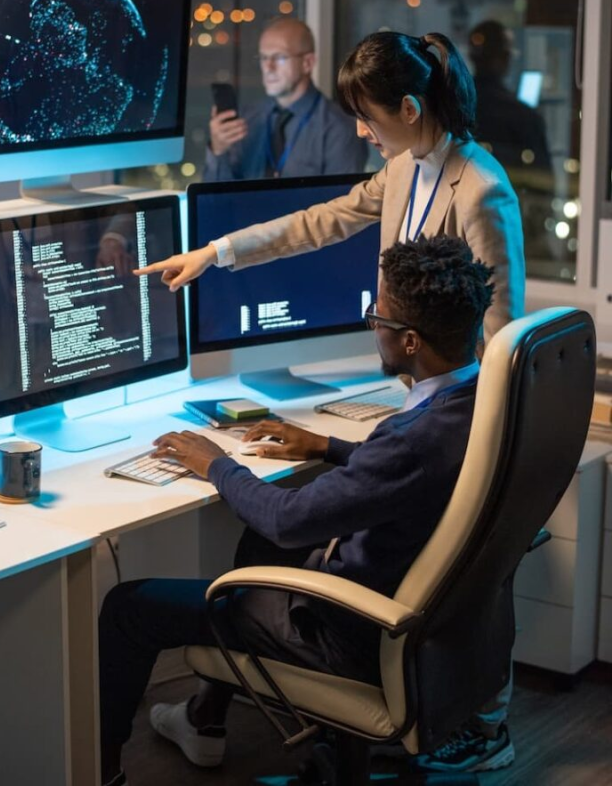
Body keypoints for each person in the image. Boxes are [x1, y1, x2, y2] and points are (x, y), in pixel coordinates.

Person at [99, 236, 514, 786]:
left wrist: (215, 463)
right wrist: (325, 447)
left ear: (410, 341)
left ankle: (97, 772)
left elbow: (287, 517)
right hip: (439, 626)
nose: (372, 326)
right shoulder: (479, 402)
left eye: (377, 317)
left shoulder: (411, 439)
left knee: (129, 606)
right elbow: (414, 477)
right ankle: (206, 719)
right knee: (258, 549)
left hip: (350, 632)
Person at [137, 30, 525, 345]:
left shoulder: (481, 189)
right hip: (415, 385)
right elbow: (320, 221)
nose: (359, 131)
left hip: (458, 402)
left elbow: (501, 336)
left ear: (409, 109)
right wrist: (213, 253)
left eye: (365, 117)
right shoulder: (403, 168)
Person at [203, 16, 367, 180]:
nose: (268, 67)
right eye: (263, 58)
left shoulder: (339, 128)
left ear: (307, 63)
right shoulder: (247, 119)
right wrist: (218, 150)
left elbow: (344, 203)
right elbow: (216, 198)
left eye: (280, 57)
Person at [468, 20, 552, 177]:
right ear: (506, 57)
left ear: (471, 56)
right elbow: (543, 182)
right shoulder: (524, 117)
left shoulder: (449, 108)